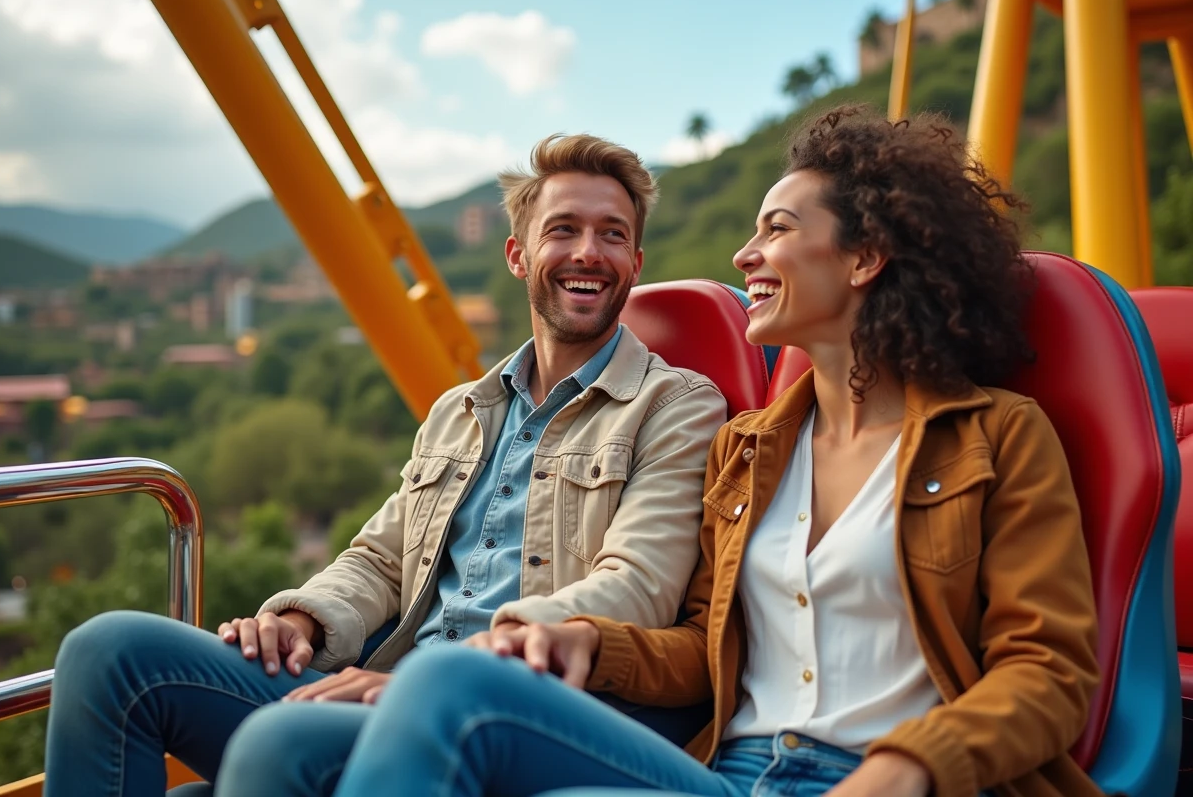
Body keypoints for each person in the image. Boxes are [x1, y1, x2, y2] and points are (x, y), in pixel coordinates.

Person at [322, 104, 1104, 797]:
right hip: (732, 773)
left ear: (864, 258)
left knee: (458, 694)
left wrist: (906, 767)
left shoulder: (999, 436)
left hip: (904, 777)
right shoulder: (748, 449)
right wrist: (589, 641)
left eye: (778, 229)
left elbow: (1049, 672)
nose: (744, 254)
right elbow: (705, 652)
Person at [41, 132, 728, 797]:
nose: (589, 252)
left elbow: (635, 586)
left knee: (281, 742)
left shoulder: (675, 406)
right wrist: (302, 621)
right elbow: (380, 561)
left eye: (613, 235)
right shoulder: (460, 411)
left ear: (636, 263)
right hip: (390, 682)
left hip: (512, 709)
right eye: (564, 229)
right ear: (518, 256)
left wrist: (434, 684)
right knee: (109, 654)